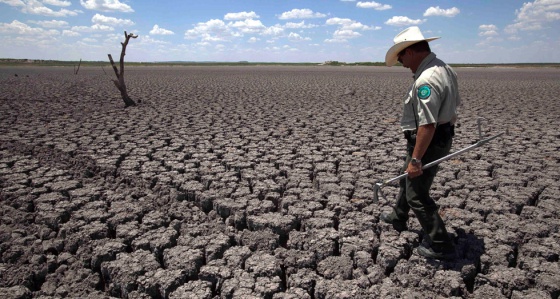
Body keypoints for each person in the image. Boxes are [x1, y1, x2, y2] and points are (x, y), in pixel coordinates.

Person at [380, 26, 460, 260]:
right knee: (407, 178)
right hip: (436, 138)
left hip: (428, 141)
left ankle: (441, 244)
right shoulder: (444, 67)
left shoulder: (427, 80)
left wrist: (416, 159)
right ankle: (398, 216)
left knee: (417, 193)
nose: (402, 62)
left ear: (412, 51)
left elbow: (427, 125)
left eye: (402, 56)